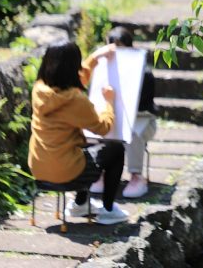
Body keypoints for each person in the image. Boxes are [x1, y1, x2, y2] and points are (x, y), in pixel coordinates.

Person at [28, 41, 129, 225]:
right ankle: (108, 209)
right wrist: (109, 102)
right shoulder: (75, 100)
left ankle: (80, 204)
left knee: (84, 147)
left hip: (39, 167)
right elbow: (103, 128)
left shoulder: (39, 89)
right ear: (73, 67)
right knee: (115, 150)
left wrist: (95, 57)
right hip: (66, 172)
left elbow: (75, 80)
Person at [90, 26, 157, 198]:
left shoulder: (144, 72)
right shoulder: (102, 69)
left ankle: (136, 176)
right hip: (113, 116)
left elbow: (145, 105)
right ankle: (100, 173)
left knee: (132, 133)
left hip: (142, 119)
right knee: (101, 129)